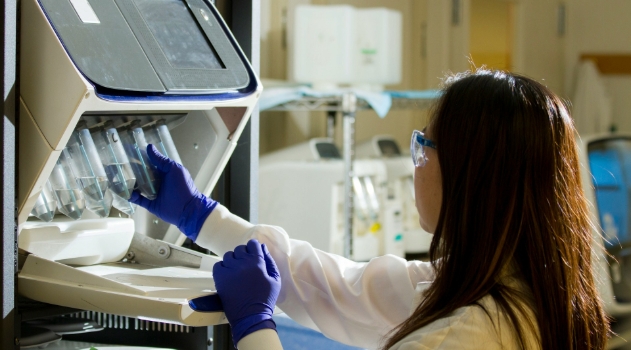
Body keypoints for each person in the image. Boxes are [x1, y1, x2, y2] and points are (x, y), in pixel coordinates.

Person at [130, 69, 610, 349]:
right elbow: (337, 287)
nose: (416, 163)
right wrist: (202, 216)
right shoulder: (514, 290)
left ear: (470, 176)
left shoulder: (464, 337)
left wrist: (256, 327)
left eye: (424, 147)